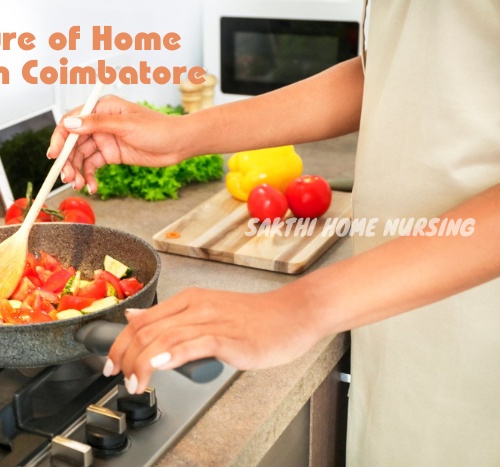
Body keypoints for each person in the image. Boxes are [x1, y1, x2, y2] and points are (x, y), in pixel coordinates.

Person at [47, 1, 500, 464]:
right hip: (392, 309)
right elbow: (394, 73)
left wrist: (304, 306)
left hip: (479, 339)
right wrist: (183, 134)